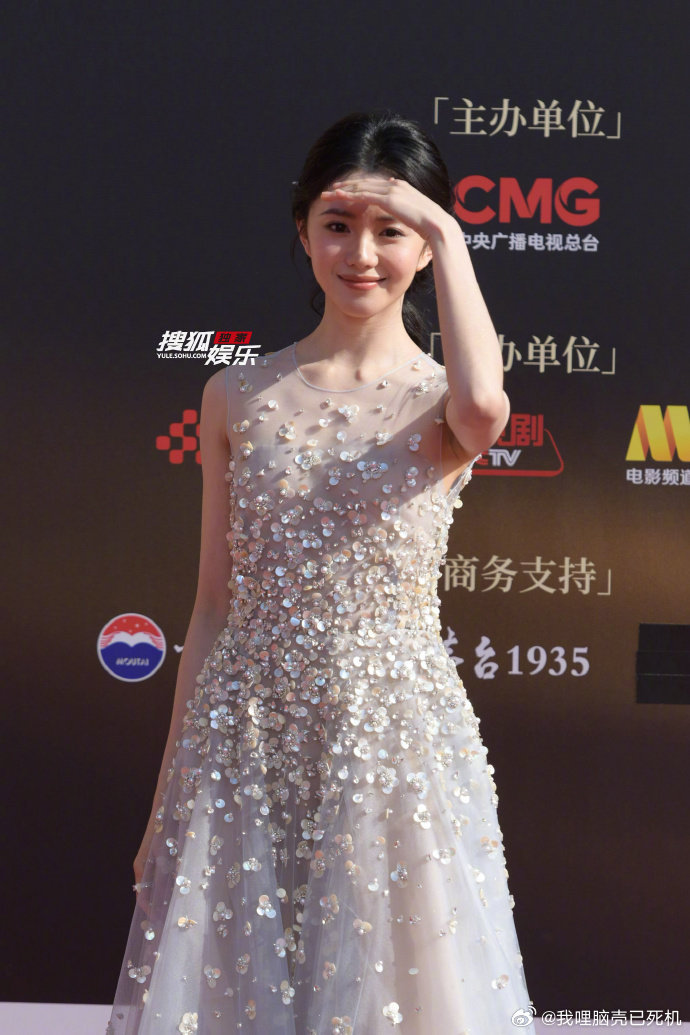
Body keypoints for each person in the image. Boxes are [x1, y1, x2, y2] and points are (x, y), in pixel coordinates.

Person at [107, 111, 534, 1034]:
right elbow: (212, 605)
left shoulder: (442, 404)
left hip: (390, 745)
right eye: (338, 224)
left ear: (425, 246)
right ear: (302, 231)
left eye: (393, 230)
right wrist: (167, 796)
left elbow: (486, 403)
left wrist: (451, 231)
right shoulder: (235, 394)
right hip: (245, 741)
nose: (362, 254)